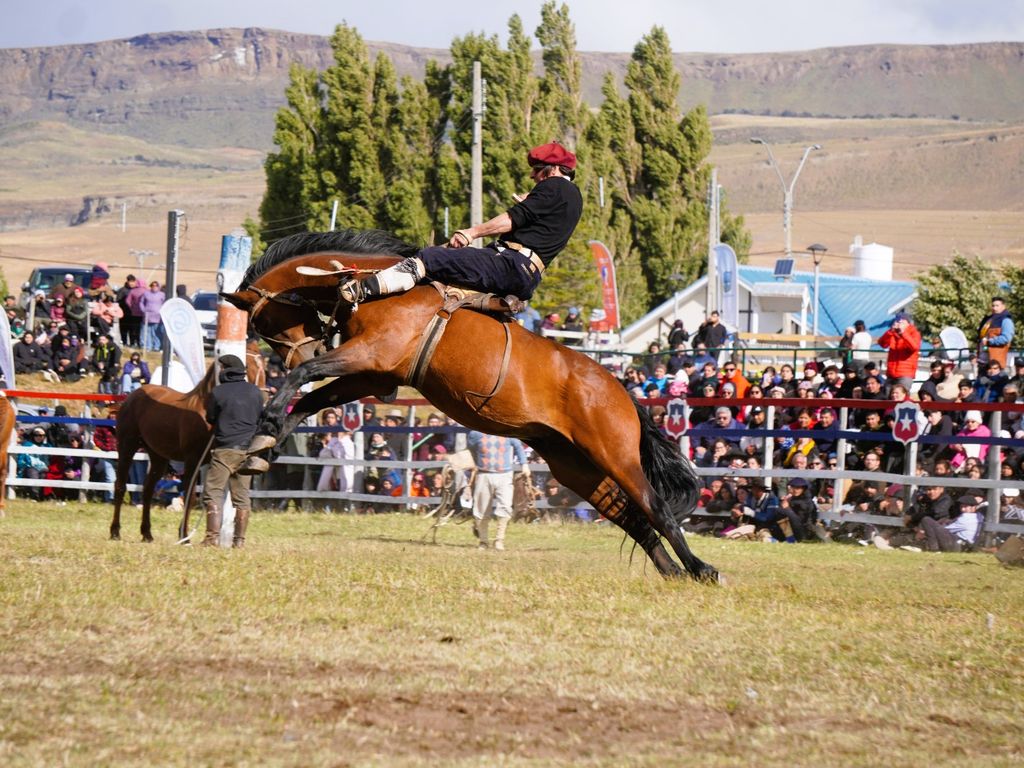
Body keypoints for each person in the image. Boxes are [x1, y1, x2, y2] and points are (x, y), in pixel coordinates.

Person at [340, 141, 582, 304]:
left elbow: (511, 220)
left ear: (552, 170)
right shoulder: (571, 197)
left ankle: (359, 291)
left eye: (537, 170)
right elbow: (534, 227)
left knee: (429, 257)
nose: (532, 176)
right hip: (525, 274)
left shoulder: (555, 186)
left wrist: (471, 233)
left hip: (510, 264)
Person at [200, 355, 264, 548]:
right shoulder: (255, 391)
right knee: (242, 498)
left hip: (224, 449)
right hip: (248, 450)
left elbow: (211, 418)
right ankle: (239, 541)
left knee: (213, 492)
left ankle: (212, 538)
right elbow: (260, 418)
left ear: (226, 369)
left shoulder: (218, 392)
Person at [467, 430, 530, 551]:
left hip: (504, 474)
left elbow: (518, 446)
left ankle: (499, 540)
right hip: (483, 475)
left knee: (505, 506)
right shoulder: (476, 433)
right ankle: (483, 541)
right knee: (481, 509)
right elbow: (470, 450)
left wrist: (524, 464)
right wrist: (474, 464)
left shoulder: (506, 430)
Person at [877, 312, 921, 390]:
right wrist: (890, 331)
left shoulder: (914, 333)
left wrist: (903, 333)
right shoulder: (893, 333)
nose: (898, 324)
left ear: (908, 323)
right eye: (897, 321)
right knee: (887, 394)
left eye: (901, 322)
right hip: (891, 373)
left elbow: (914, 347)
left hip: (905, 374)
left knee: (902, 395)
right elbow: (882, 343)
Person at [977, 296, 1014, 367]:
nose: (994, 308)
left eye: (997, 306)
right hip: (982, 360)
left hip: (996, 363)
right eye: (993, 306)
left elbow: (1006, 338)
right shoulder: (989, 320)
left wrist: (989, 341)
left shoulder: (1006, 320)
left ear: (1003, 306)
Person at [139, 281, 166, 351]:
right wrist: (143, 310)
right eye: (153, 285)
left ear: (158, 287)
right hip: (147, 316)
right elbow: (141, 302)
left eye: (156, 285)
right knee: (146, 332)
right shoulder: (146, 293)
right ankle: (147, 346)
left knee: (157, 333)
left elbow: (165, 304)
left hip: (158, 317)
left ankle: (156, 346)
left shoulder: (162, 295)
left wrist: (162, 312)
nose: (154, 287)